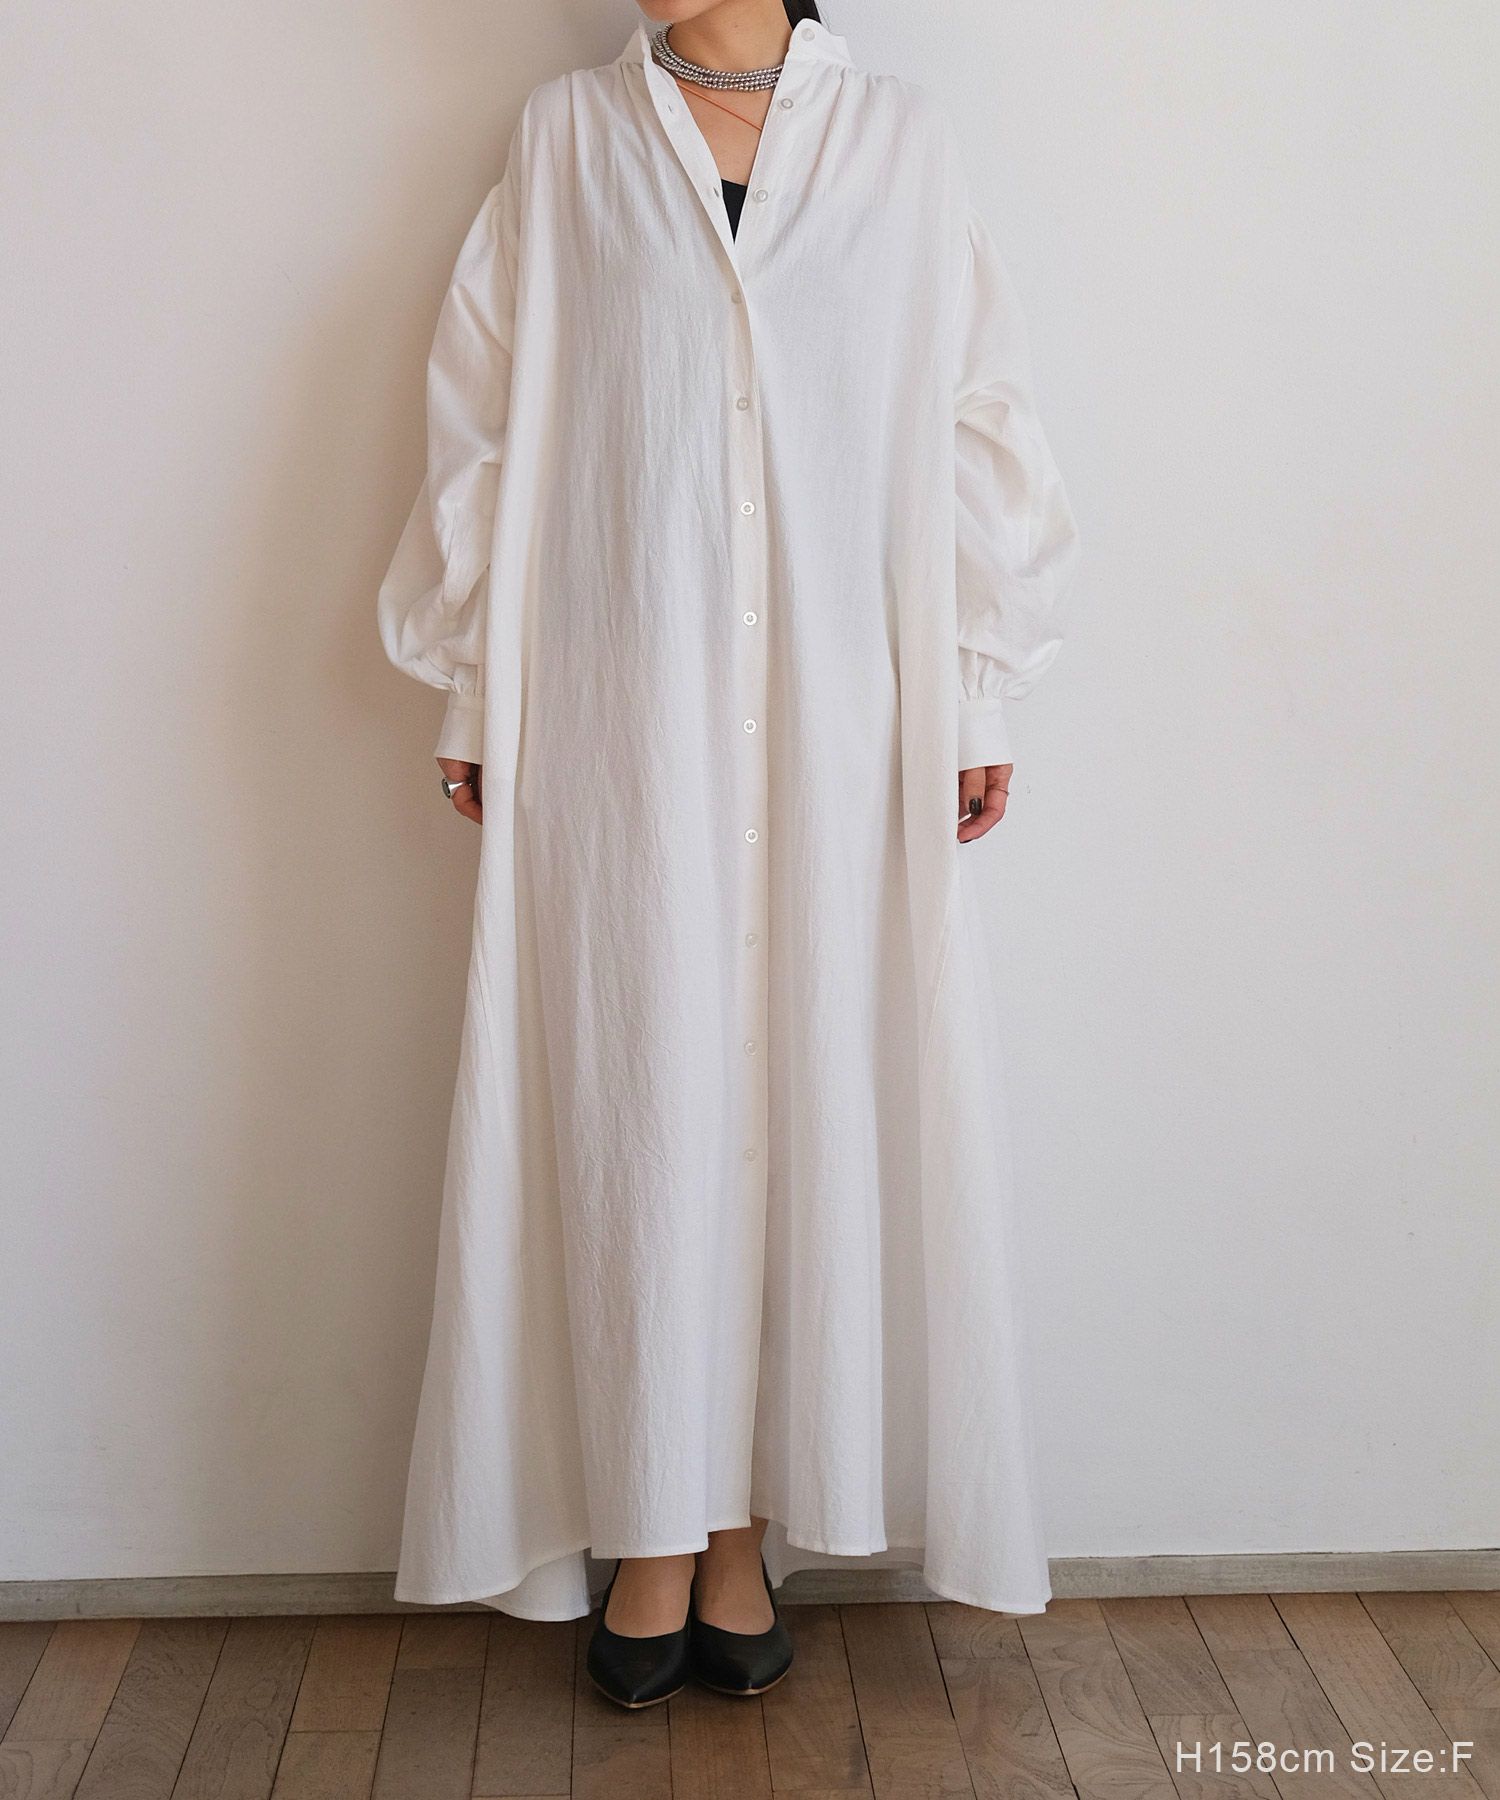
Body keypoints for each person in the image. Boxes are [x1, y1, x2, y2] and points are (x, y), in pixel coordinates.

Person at [376, 0, 1080, 1708]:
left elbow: (977, 416)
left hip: (843, 716)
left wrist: (977, 690)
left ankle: (748, 1527)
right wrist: (474, 682)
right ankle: (653, 1526)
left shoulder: (901, 143)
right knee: (641, 1100)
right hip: (623, 711)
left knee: (812, 1097)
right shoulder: (568, 139)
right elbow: (483, 417)